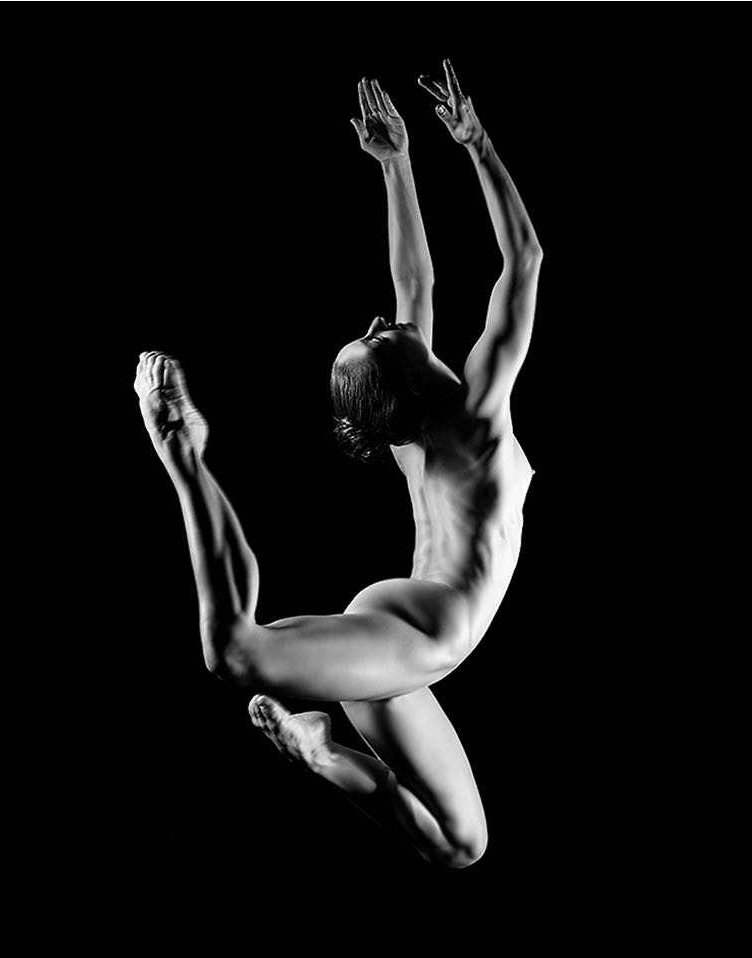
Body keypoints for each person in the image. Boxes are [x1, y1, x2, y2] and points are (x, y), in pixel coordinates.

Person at [133, 63, 540, 868]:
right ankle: (186, 457)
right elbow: (522, 261)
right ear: (409, 368)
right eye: (380, 332)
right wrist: (479, 146)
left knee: (463, 846)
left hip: (406, 639)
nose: (382, 315)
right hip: (422, 632)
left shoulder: (413, 418)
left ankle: (319, 752)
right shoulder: (480, 413)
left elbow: (413, 278)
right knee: (234, 655)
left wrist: (396, 164)